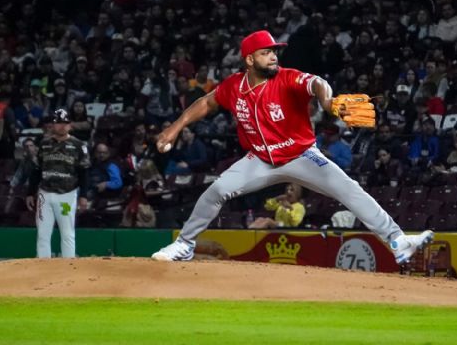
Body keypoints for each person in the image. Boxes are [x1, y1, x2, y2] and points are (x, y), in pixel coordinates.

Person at [151, 30, 433, 263]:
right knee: (216, 191)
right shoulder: (235, 86)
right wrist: (174, 128)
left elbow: (317, 84)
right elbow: (207, 102)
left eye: (275, 51)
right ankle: (185, 245)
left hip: (302, 156)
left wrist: (327, 102)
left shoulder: (288, 78)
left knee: (348, 189)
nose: (273, 56)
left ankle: (398, 241)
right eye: (266, 52)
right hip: (260, 160)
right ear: (249, 59)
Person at [26, 109, 90, 258]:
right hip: (45, 194)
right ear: (53, 125)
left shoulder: (78, 145)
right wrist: (30, 192)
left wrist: (84, 196)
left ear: (70, 125)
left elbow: (84, 171)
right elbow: (36, 169)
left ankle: (68, 268)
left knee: (67, 233)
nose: (61, 126)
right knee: (43, 233)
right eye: (58, 123)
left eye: (65, 123)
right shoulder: (44, 144)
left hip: (67, 194)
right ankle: (43, 267)